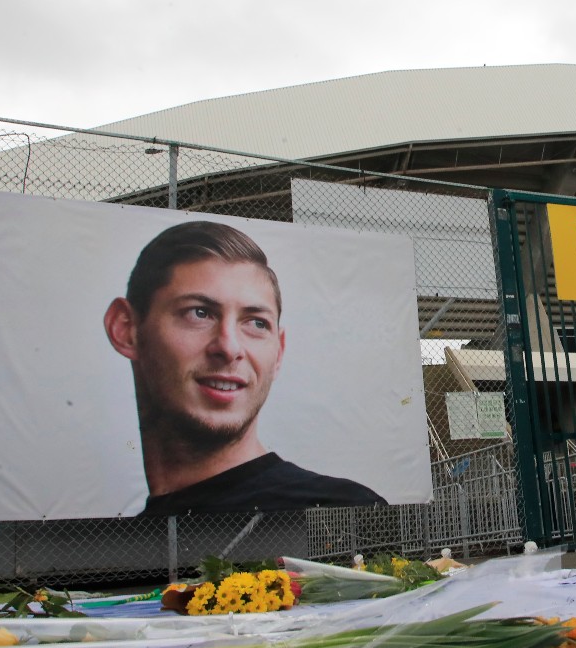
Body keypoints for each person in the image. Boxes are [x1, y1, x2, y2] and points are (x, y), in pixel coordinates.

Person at [103, 220, 387, 516]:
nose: (229, 348)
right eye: (199, 313)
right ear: (126, 329)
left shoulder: (339, 511)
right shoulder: (115, 544)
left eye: (256, 323)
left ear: (278, 353)